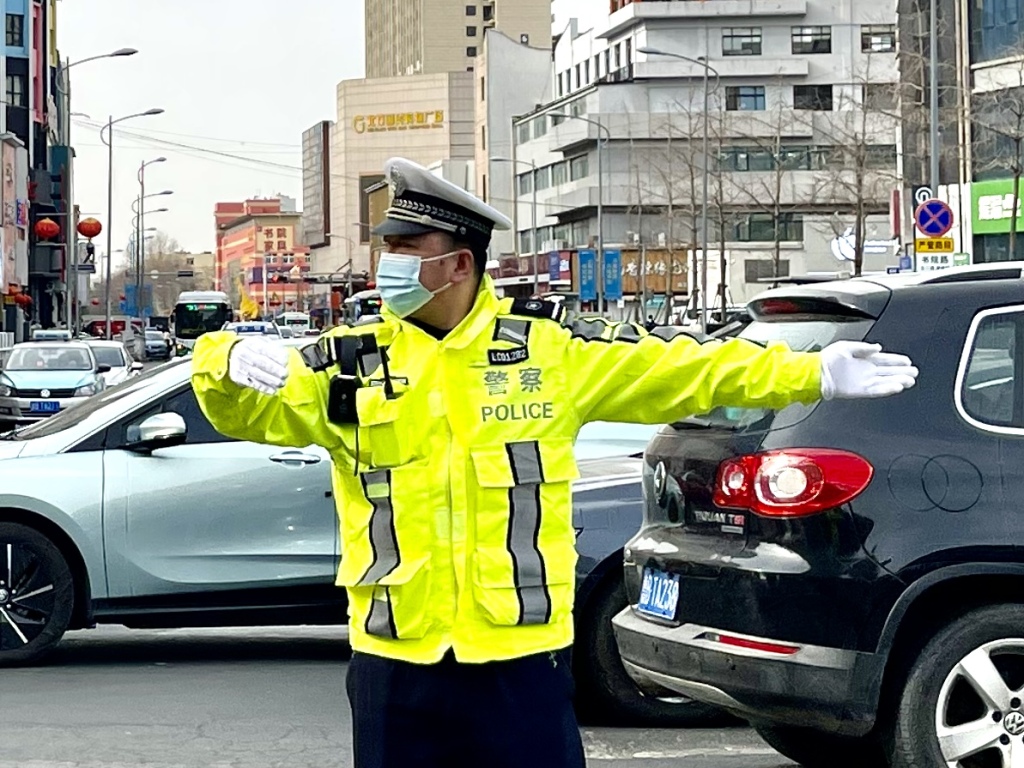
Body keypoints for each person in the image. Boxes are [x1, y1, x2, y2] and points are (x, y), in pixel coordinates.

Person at [190, 157, 919, 768]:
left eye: (407, 248)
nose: (389, 265)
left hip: (519, 664)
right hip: (394, 664)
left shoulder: (546, 356)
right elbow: (242, 412)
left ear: (458, 264)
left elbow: (681, 371)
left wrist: (810, 373)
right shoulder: (351, 365)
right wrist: (223, 356)